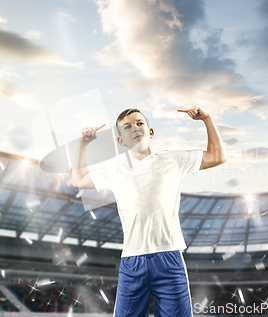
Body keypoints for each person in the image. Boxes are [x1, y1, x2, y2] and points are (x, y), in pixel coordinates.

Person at [72, 106, 227, 317]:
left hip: (168, 256)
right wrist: (82, 145)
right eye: (127, 127)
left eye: (139, 123)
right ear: (121, 141)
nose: (134, 128)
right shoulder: (114, 169)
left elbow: (217, 157)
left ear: (150, 131)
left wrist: (207, 118)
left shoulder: (173, 160)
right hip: (132, 260)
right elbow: (78, 179)